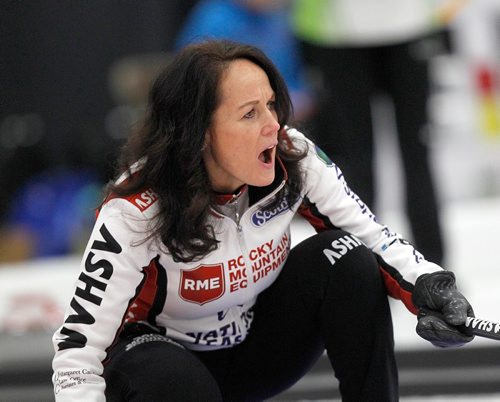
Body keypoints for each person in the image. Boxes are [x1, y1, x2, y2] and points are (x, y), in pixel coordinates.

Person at [51, 40, 474, 401]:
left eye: (272, 105)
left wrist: (431, 287)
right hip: (164, 369)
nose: (274, 126)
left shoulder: (293, 156)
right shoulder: (138, 206)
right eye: (250, 114)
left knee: (345, 256)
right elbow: (77, 350)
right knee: (172, 377)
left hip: (255, 350)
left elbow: (372, 237)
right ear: (198, 131)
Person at [291, 0, 460, 265]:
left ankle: (435, 266)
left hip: (411, 23)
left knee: (417, 151)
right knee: (354, 158)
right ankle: (360, 267)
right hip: (334, 30)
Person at [174, 0, 316, 121]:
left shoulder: (278, 19)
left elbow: (294, 77)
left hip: (284, 113)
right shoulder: (213, 20)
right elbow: (196, 87)